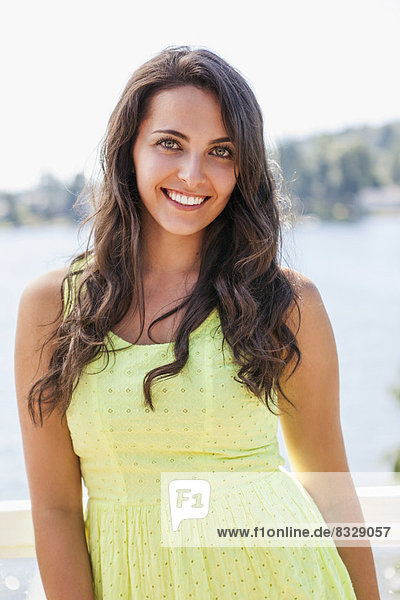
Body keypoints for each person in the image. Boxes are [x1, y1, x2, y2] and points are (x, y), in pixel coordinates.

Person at [15, 45, 380, 599]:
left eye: (221, 151)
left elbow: (329, 489)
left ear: (243, 168)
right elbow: (56, 509)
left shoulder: (284, 301)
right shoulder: (53, 307)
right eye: (169, 143)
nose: (193, 173)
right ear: (128, 151)